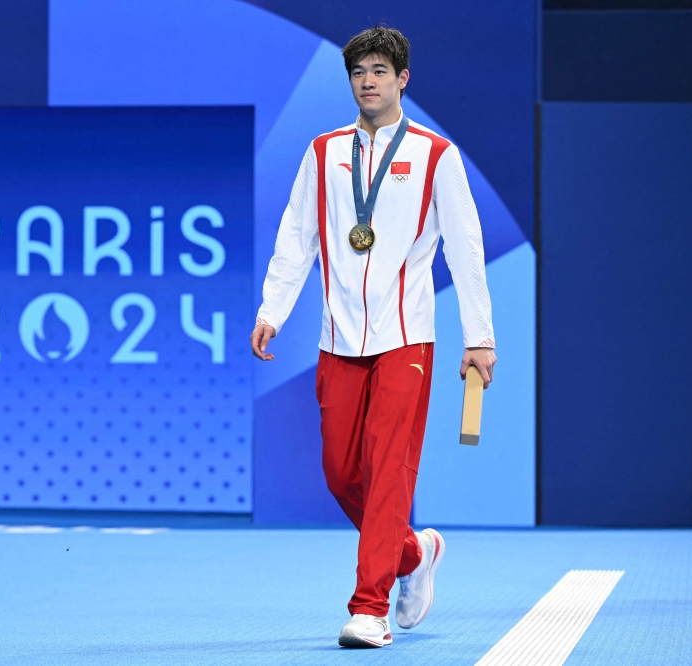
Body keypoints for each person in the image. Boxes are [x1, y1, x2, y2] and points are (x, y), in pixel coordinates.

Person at [249, 25, 497, 648]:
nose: (368, 81)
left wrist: (479, 336)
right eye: (359, 72)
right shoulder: (324, 152)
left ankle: (370, 609)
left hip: (407, 338)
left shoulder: (436, 155)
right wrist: (272, 309)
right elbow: (296, 238)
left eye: (380, 70)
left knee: (388, 472)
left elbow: (465, 248)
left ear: (402, 79)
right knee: (340, 473)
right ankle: (413, 553)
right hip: (338, 339)